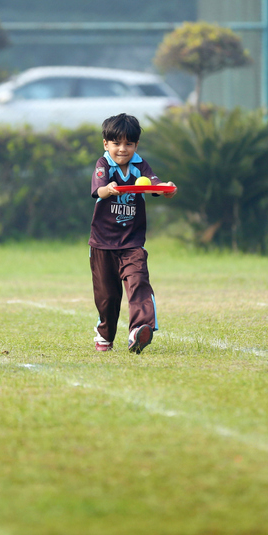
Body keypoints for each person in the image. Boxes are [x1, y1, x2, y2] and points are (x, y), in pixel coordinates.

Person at [89, 113, 176, 354]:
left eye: (129, 143)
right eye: (116, 143)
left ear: (136, 145)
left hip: (132, 242)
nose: (122, 149)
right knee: (107, 297)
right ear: (106, 144)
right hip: (102, 243)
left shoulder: (140, 166)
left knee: (138, 282)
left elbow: (153, 185)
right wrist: (108, 189)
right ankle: (104, 334)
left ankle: (139, 329)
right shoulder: (103, 165)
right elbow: (99, 190)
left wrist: (164, 188)